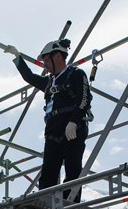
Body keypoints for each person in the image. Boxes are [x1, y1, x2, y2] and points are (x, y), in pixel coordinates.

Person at [5, 39, 91, 200]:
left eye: (46, 60)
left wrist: (74, 121)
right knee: (49, 171)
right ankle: (44, 203)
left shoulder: (76, 75)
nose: (44, 64)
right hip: (53, 129)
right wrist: (17, 57)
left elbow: (84, 99)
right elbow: (29, 77)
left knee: (73, 168)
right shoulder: (49, 82)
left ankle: (70, 203)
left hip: (72, 128)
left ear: (57, 56)